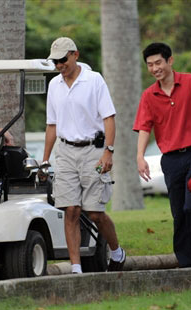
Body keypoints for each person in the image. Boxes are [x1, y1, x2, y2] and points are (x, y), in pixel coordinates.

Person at [42, 37, 125, 274]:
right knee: (71, 210)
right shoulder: (54, 85)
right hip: (66, 152)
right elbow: (51, 125)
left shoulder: (94, 80)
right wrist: (46, 160)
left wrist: (108, 152)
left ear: (75, 55)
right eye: (55, 61)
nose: (59, 65)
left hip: (94, 152)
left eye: (63, 59)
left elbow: (109, 118)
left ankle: (117, 251)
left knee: (95, 213)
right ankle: (76, 269)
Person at [134, 42, 191, 269]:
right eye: (150, 65)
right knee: (178, 213)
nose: (154, 68)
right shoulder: (148, 95)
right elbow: (144, 127)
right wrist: (140, 156)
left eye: (158, 62)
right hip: (170, 160)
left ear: (170, 61)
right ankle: (186, 263)